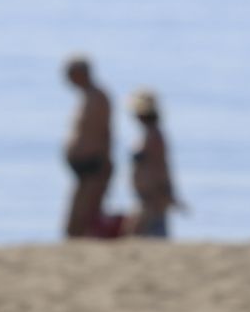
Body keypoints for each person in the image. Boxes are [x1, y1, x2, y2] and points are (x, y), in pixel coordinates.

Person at [61, 54, 113, 239]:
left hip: (94, 163)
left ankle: (82, 240)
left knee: (86, 212)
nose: (66, 79)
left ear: (80, 74)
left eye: (69, 74)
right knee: (75, 213)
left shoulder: (98, 97)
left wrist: (106, 162)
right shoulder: (85, 97)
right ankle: (73, 240)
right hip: (83, 164)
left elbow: (106, 132)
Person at [122, 89, 182, 238]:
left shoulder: (155, 136)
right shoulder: (149, 134)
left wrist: (165, 191)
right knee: (139, 230)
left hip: (152, 195)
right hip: (147, 194)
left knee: (148, 231)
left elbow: (161, 166)